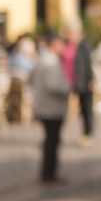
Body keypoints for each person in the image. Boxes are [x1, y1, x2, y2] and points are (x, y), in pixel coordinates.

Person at [29, 31, 71, 183]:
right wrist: (68, 89)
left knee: (49, 140)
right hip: (52, 108)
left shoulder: (40, 59)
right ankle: (49, 172)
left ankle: (48, 171)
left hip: (43, 105)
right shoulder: (51, 61)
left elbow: (31, 78)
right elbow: (53, 85)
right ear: (54, 44)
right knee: (52, 141)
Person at [62, 20, 94, 146]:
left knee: (86, 109)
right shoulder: (65, 44)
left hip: (83, 82)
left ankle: (88, 133)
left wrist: (91, 79)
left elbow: (88, 64)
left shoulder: (84, 45)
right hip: (68, 82)